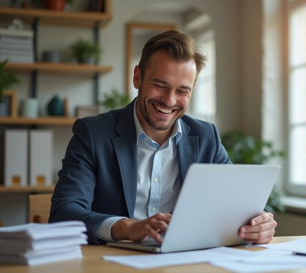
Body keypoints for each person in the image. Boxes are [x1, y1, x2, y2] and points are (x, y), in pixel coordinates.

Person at [49, 30, 277, 245]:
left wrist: (260, 222)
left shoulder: (206, 137)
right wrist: (127, 228)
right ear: (137, 77)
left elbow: (240, 202)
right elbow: (63, 212)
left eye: (182, 91)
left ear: (193, 88)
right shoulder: (92, 134)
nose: (169, 101)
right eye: (160, 85)